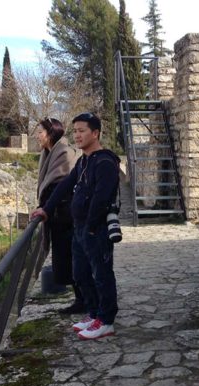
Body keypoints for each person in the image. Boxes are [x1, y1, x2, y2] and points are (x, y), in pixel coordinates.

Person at [32, 113, 120, 340]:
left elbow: (102, 198)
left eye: (82, 131)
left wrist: (91, 226)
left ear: (95, 133)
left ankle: (106, 320)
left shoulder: (105, 162)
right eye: (75, 131)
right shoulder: (82, 161)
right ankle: (93, 314)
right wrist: (46, 209)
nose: (77, 135)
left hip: (95, 230)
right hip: (79, 229)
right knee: (80, 274)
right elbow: (64, 187)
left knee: (101, 275)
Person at [33, 117, 85, 314]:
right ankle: (80, 300)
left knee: (72, 260)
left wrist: (46, 207)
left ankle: (83, 300)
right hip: (56, 216)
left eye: (40, 132)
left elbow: (59, 185)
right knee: (64, 260)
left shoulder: (63, 152)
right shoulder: (47, 154)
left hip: (66, 216)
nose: (38, 135)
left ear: (51, 133)